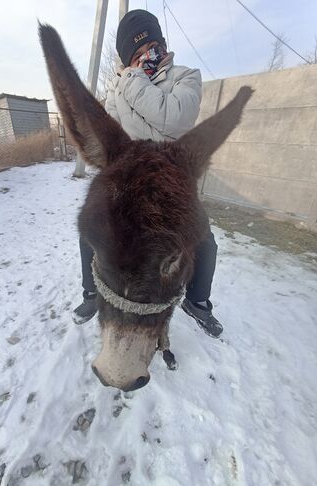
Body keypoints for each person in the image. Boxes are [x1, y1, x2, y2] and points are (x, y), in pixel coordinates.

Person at [73, 9, 223, 338]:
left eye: (151, 48)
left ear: (162, 45)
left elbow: (176, 121)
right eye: (136, 55)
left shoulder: (185, 77)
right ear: (127, 58)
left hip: (172, 186)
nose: (145, 57)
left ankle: (198, 302)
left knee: (206, 244)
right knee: (92, 234)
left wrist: (133, 79)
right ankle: (91, 293)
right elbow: (113, 135)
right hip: (129, 183)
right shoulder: (116, 90)